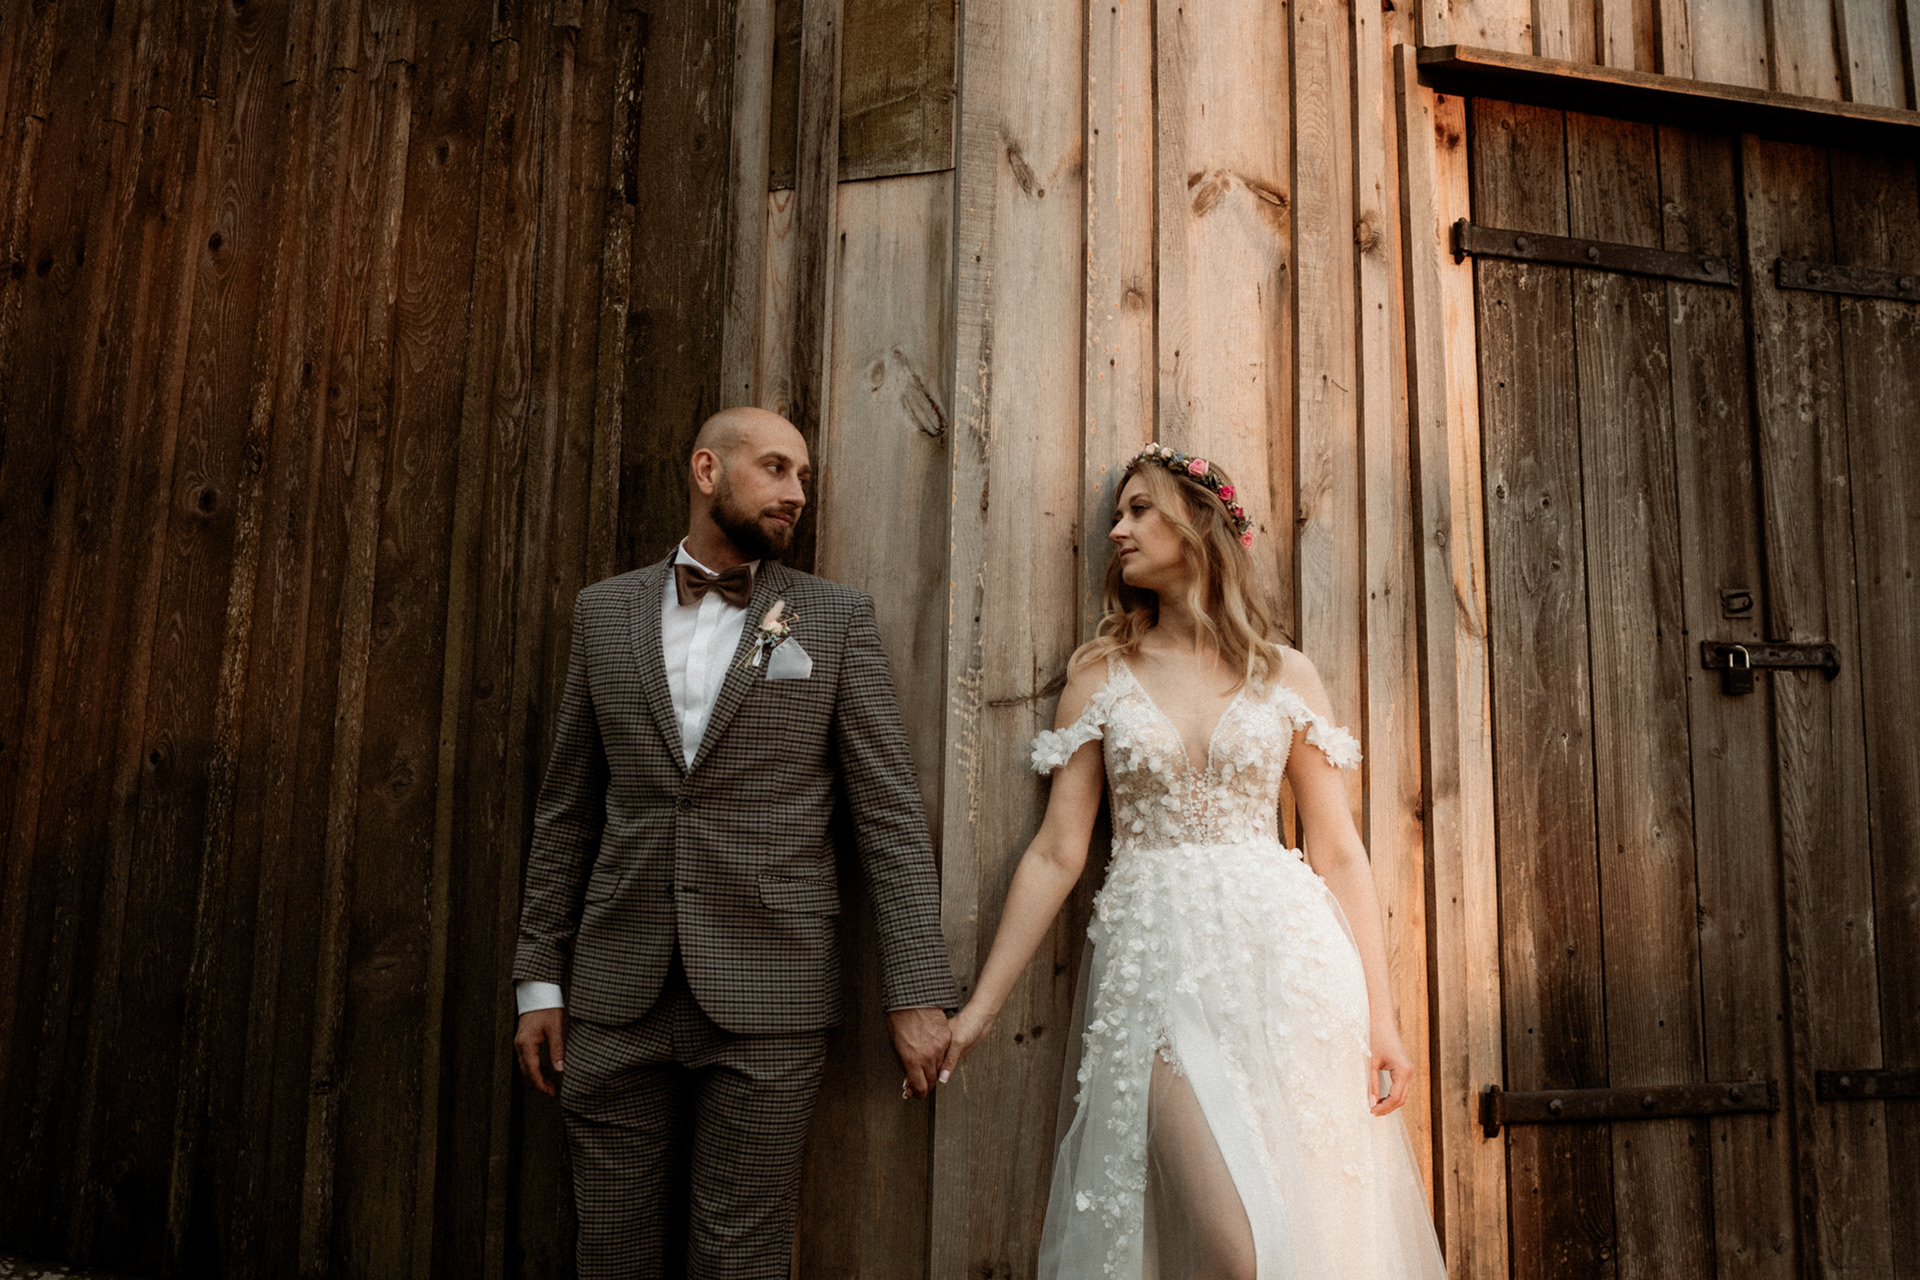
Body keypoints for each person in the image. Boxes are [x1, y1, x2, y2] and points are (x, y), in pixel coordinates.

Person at [941, 445, 1446, 1279]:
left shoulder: (1284, 672)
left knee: (1308, 1235)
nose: (1117, 530)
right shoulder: (1101, 675)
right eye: (1117, 514)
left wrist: (1383, 1022)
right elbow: (1058, 852)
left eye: (1139, 510)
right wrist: (981, 1011)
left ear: (1199, 522)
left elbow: (1337, 849)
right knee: (1235, 1248)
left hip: (1289, 967)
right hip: (1159, 970)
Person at [511, 406, 958, 1279]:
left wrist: (915, 992)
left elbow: (889, 819)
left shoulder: (833, 618)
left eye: (804, 478)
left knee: (739, 1259)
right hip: (613, 993)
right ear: (707, 470)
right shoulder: (603, 613)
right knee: (609, 1253)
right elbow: (568, 809)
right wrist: (539, 979)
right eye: (776, 469)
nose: (797, 493)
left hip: (772, 999)